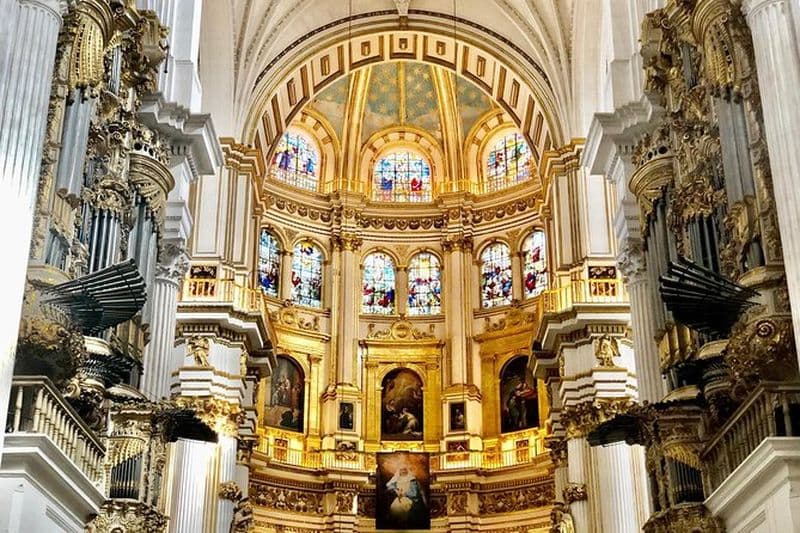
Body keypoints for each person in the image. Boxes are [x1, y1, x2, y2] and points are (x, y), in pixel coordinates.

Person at [385, 462, 427, 528]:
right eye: (401, 470)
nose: (403, 471)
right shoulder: (396, 479)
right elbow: (389, 486)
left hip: (410, 499)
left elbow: (414, 493)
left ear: (407, 470)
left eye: (404, 469)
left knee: (401, 508)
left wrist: (404, 494)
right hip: (399, 498)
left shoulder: (412, 480)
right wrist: (396, 491)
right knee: (394, 507)